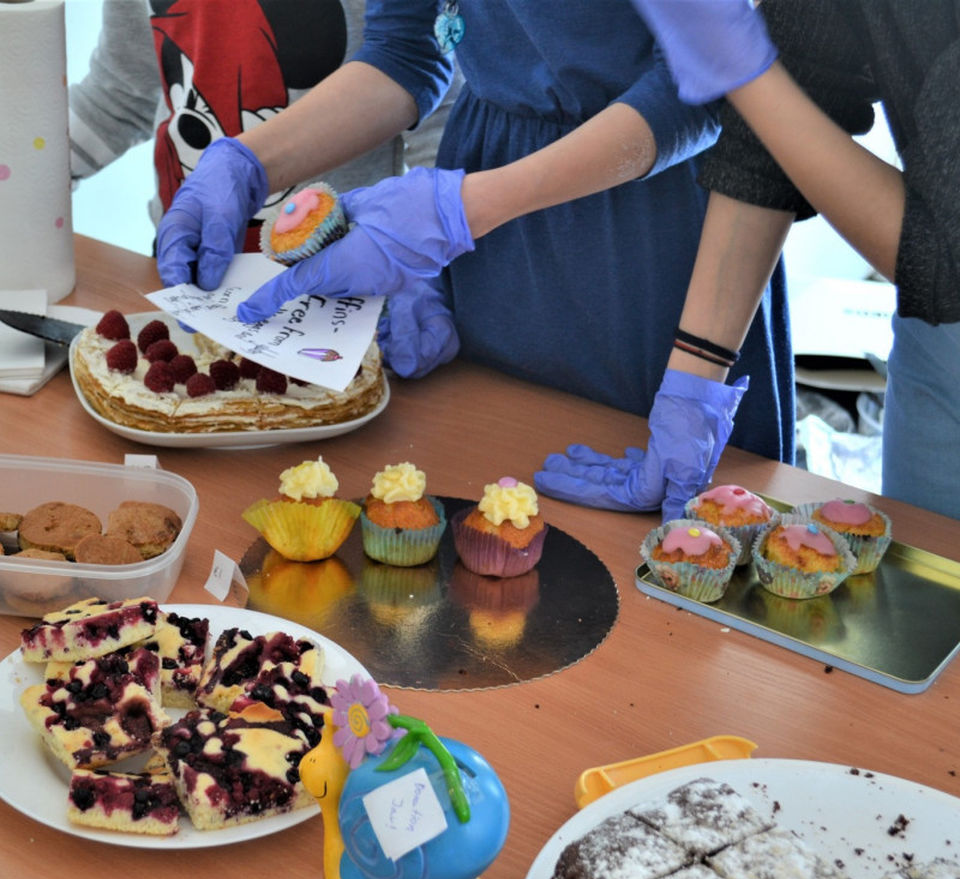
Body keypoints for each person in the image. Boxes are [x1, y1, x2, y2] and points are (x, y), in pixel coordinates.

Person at [155, 0, 796, 520]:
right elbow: (407, 47)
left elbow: (706, 87)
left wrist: (463, 208)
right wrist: (253, 159)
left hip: (652, 222)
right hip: (492, 221)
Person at [542, 0, 960, 520]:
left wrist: (746, 74)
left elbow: (948, 259)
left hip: (942, 292)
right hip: (935, 348)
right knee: (925, 589)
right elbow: (794, 94)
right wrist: (692, 393)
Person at [69, 0, 460, 259]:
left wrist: (431, 264)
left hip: (342, 291)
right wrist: (19, 170)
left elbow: (439, 126)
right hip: (185, 263)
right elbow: (118, 95)